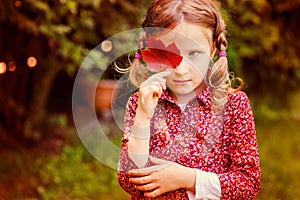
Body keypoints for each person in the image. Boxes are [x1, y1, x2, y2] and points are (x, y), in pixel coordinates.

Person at [117, 0, 261, 199]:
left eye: (194, 54)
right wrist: (143, 117)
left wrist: (186, 178)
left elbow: (248, 183)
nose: (181, 69)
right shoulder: (141, 103)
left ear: (212, 49)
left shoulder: (233, 105)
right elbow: (130, 181)